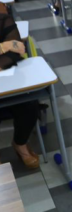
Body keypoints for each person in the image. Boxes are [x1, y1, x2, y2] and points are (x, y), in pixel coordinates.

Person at [0, 12, 40, 169]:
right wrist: (4, 46)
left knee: (29, 103)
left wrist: (8, 49)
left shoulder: (1, 14)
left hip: (5, 75)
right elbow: (10, 46)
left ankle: (20, 144)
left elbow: (19, 48)